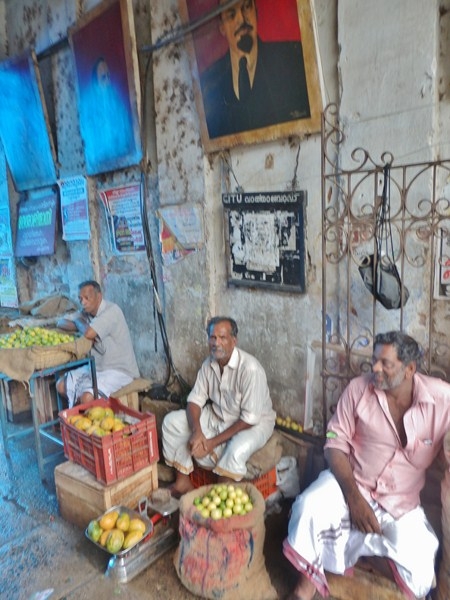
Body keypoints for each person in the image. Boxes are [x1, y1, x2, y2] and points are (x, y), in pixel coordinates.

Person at [283, 331, 450, 600]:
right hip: (352, 482)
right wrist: (354, 498)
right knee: (308, 507)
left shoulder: (442, 399)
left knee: (420, 568)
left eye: (385, 363)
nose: (375, 368)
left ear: (409, 369)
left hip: (400, 502)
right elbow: (335, 443)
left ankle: (357, 552)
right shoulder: (358, 389)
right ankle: (303, 591)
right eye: (374, 360)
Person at [162, 316, 276, 497]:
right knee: (171, 422)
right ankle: (182, 483)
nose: (216, 343)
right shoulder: (208, 364)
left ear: (234, 341)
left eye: (222, 338)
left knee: (236, 450)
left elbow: (249, 419)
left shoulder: (250, 369)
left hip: (254, 422)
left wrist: (212, 442)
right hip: (218, 415)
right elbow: (194, 401)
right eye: (213, 337)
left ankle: (218, 498)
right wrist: (197, 431)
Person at [200, 0, 310, 139]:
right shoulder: (209, 82)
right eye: (231, 14)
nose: (241, 19)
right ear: (222, 28)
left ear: (256, 13)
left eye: (246, 7)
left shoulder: (294, 59)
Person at [56, 280, 140, 407]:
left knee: (87, 397)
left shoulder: (112, 311)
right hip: (97, 368)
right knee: (61, 385)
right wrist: (80, 324)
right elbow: (60, 323)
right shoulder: (86, 313)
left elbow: (89, 333)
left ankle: (86, 413)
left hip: (119, 371)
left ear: (99, 296)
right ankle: (79, 413)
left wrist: (78, 322)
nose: (83, 302)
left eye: (87, 298)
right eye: (80, 299)